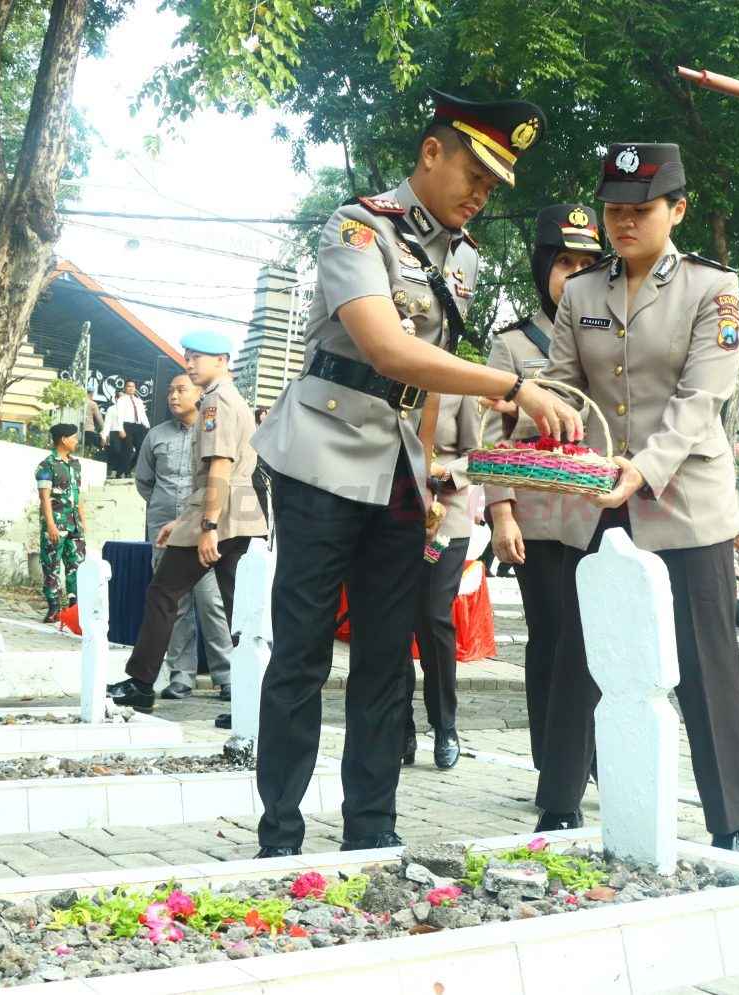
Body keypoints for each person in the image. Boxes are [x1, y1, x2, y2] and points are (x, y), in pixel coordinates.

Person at [250, 88, 582, 859]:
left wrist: (432, 472)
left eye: (494, 185)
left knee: (385, 655)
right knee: (300, 650)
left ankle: (372, 827)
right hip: (321, 455)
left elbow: (424, 386)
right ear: (431, 152)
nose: (480, 193)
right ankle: (280, 834)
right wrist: (510, 385)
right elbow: (389, 351)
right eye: (473, 172)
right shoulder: (357, 227)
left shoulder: (461, 256)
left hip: (398, 472)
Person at [535, 142, 739, 853]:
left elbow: (703, 399)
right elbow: (564, 383)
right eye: (613, 210)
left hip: (685, 498)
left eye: (640, 210)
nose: (623, 223)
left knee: (704, 660)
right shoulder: (580, 292)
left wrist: (647, 466)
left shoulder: (712, 289)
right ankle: (558, 805)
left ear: (677, 209)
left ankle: (734, 820)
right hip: (600, 494)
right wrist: (542, 424)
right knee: (578, 652)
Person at [486, 203, 604, 767]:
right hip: (538, 521)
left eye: (588, 263)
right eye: (564, 262)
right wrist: (502, 513)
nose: (575, 274)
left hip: (601, 516)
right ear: (542, 269)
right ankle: (555, 762)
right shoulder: (514, 346)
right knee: (552, 638)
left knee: (600, 640)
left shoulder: (610, 339)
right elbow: (494, 437)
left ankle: (599, 757)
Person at [108, 332, 266, 712]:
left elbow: (219, 466)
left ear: (222, 360)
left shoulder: (215, 401)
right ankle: (255, 697)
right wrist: (184, 521)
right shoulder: (234, 399)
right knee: (239, 609)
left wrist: (207, 527)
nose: (189, 364)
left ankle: (141, 683)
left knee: (164, 593)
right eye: (188, 357)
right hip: (240, 512)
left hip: (220, 512)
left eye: (197, 357)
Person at [132, 373, 234, 699]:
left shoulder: (210, 432)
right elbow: (144, 481)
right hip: (163, 529)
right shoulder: (155, 436)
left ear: (199, 394)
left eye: (181, 390)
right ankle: (181, 675)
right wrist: (165, 513)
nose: (173, 396)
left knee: (211, 601)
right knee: (172, 605)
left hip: (199, 529)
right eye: (170, 391)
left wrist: (194, 518)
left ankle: (226, 674)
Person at [402, 395, 481, 770]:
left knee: (434, 619)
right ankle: (399, 726)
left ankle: (445, 725)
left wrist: (446, 473)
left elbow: (476, 455)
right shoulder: (391, 373)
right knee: (393, 624)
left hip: (444, 521)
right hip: (394, 515)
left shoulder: (458, 389)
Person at [36, 424, 88, 623]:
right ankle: (54, 608)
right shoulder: (47, 465)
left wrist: (83, 521)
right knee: (52, 566)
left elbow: (78, 493)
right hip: (57, 524)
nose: (76, 441)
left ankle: (74, 610)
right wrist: (50, 525)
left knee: (77, 567)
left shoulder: (75, 464)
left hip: (74, 524)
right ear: (64, 439)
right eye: (74, 438)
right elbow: (44, 497)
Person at [110, 379, 150, 477]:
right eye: (129, 386)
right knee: (127, 450)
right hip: (127, 426)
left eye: (133, 386)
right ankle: (121, 472)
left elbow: (142, 415)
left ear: (135, 388)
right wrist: (121, 429)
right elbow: (119, 415)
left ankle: (128, 469)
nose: (131, 388)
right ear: (125, 388)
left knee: (142, 449)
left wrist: (148, 426)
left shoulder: (139, 401)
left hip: (139, 426)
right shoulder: (121, 400)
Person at [82, 389, 103, 458]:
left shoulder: (78, 402)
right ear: (91, 394)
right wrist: (104, 430)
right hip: (88, 430)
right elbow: (99, 419)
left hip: (77, 430)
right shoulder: (92, 404)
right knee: (97, 447)